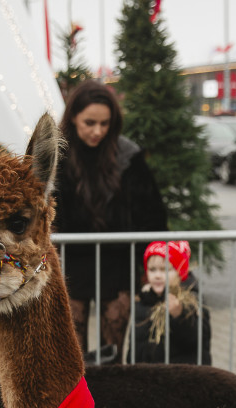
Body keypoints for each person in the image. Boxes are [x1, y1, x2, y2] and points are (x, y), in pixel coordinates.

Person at [53, 80, 168, 362]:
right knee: (71, 358)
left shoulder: (128, 156)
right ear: (73, 118)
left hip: (117, 266)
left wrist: (147, 262)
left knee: (113, 355)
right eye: (89, 122)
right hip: (70, 265)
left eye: (105, 124)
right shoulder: (56, 155)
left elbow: (153, 215)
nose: (97, 131)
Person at [131, 240, 211, 365]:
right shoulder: (142, 301)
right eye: (152, 270)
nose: (157, 275)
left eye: (165, 270)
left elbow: (198, 339)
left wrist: (179, 316)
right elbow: (136, 344)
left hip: (182, 377)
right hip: (148, 377)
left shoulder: (191, 300)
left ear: (180, 273)